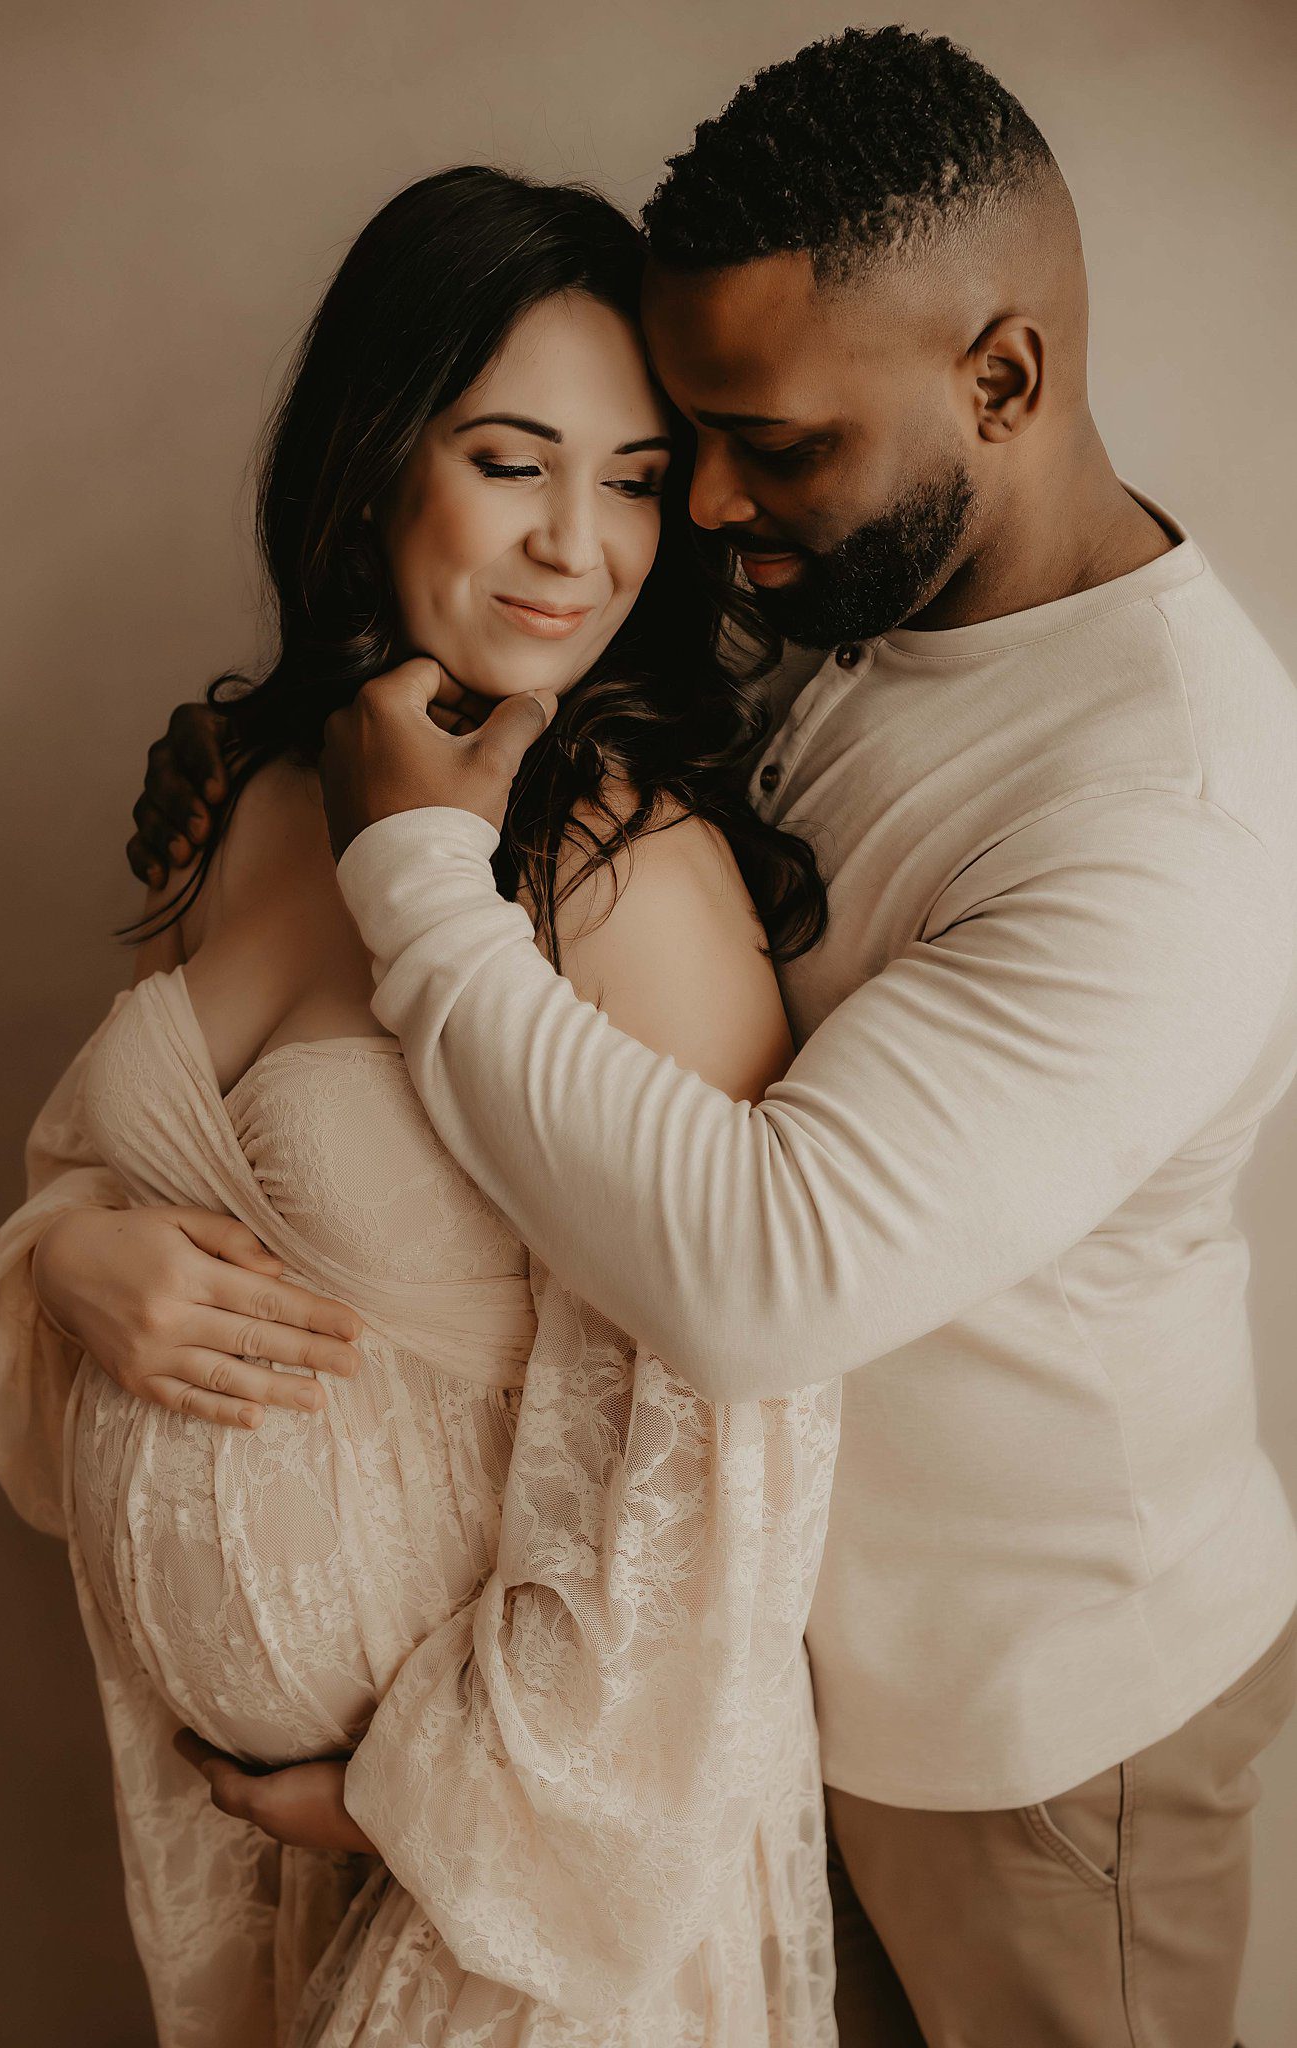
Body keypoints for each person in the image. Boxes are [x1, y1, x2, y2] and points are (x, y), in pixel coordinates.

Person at [137, 27, 1297, 2048]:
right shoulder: (873, 599)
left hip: (1027, 1738)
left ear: (999, 381)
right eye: (700, 447)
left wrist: (413, 870)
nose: (713, 517)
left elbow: (763, 1276)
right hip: (760, 1697)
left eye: (766, 446)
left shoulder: (1167, 813)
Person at [0, 168, 845, 2047]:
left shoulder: (626, 873)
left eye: (628, 478)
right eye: (513, 460)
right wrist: (71, 1257)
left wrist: (423, 1805)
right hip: (253, 1852)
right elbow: (99, 1162)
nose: (577, 546)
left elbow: (723, 1485)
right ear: (374, 467)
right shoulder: (252, 791)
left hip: (533, 1885)